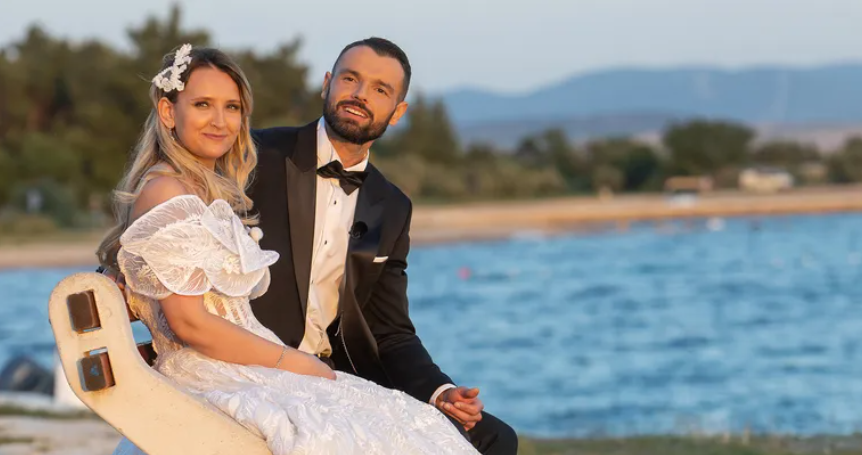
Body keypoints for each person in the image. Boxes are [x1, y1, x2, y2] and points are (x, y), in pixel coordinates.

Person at [100, 44, 481, 455]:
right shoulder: (189, 184)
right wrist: (294, 363)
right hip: (221, 373)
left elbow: (390, 328)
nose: (220, 121)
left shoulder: (206, 187)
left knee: (422, 428)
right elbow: (189, 323)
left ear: (398, 110)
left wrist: (438, 389)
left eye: (232, 108)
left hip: (253, 367)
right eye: (203, 104)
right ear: (168, 111)